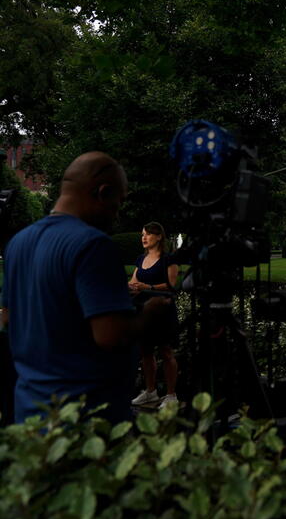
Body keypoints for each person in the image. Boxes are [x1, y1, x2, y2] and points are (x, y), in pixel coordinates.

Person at [1, 152, 169, 423]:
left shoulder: (18, 243)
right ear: (103, 192)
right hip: (85, 417)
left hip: (30, 415)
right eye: (119, 201)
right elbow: (110, 335)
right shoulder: (93, 245)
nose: (117, 213)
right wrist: (150, 313)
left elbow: (7, 317)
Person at [129, 222, 180, 409]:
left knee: (166, 351)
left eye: (148, 234)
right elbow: (134, 280)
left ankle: (171, 395)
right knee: (146, 352)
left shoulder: (169, 259)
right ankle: (151, 392)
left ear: (159, 237)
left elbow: (172, 284)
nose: (143, 237)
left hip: (163, 310)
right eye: (142, 234)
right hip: (143, 311)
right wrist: (131, 286)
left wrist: (148, 287)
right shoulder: (140, 259)